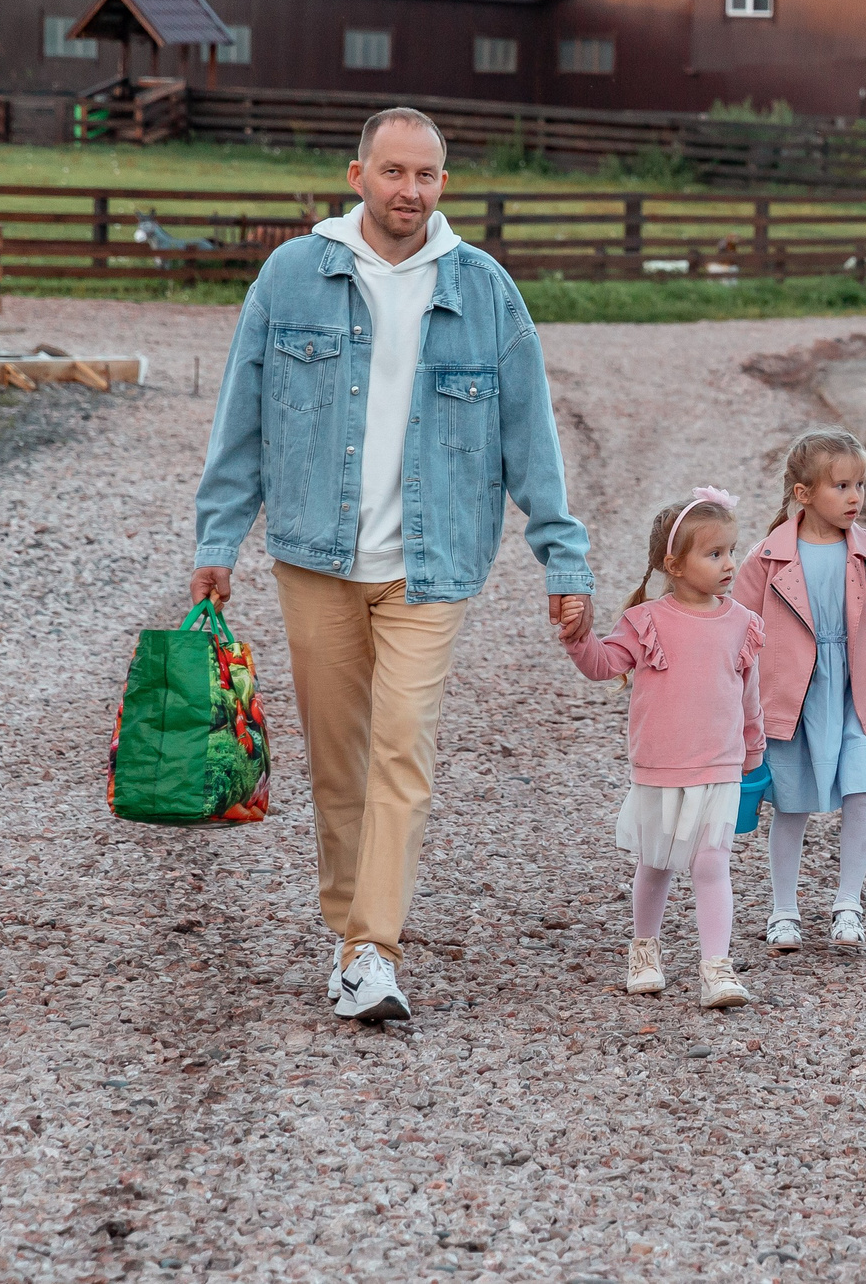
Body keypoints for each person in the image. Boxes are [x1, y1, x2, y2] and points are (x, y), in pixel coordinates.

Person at [190, 107, 594, 1025]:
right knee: (338, 761)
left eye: (427, 175)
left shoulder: (486, 291)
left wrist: (561, 555)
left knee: (401, 747)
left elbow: (532, 438)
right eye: (393, 172)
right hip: (315, 559)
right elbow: (240, 418)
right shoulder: (293, 276)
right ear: (357, 174)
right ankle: (349, 936)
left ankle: (374, 948)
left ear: (444, 185)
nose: (409, 190)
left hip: (430, 564)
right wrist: (218, 543)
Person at [564, 487, 763, 1010]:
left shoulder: (742, 622)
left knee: (711, 862)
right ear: (673, 564)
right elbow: (605, 665)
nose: (728, 563)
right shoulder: (647, 621)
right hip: (660, 764)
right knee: (655, 863)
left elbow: (748, 696)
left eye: (731, 550)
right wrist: (578, 639)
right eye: (713, 553)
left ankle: (716, 967)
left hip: (719, 766)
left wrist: (754, 751)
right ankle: (645, 950)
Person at [748, 428, 866, 955]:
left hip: (856, 694)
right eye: (842, 486)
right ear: (803, 494)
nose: (855, 497)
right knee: (790, 802)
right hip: (793, 700)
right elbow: (735, 630)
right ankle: (783, 911)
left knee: (862, 791)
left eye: (860, 485)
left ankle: (848, 903)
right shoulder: (766, 558)